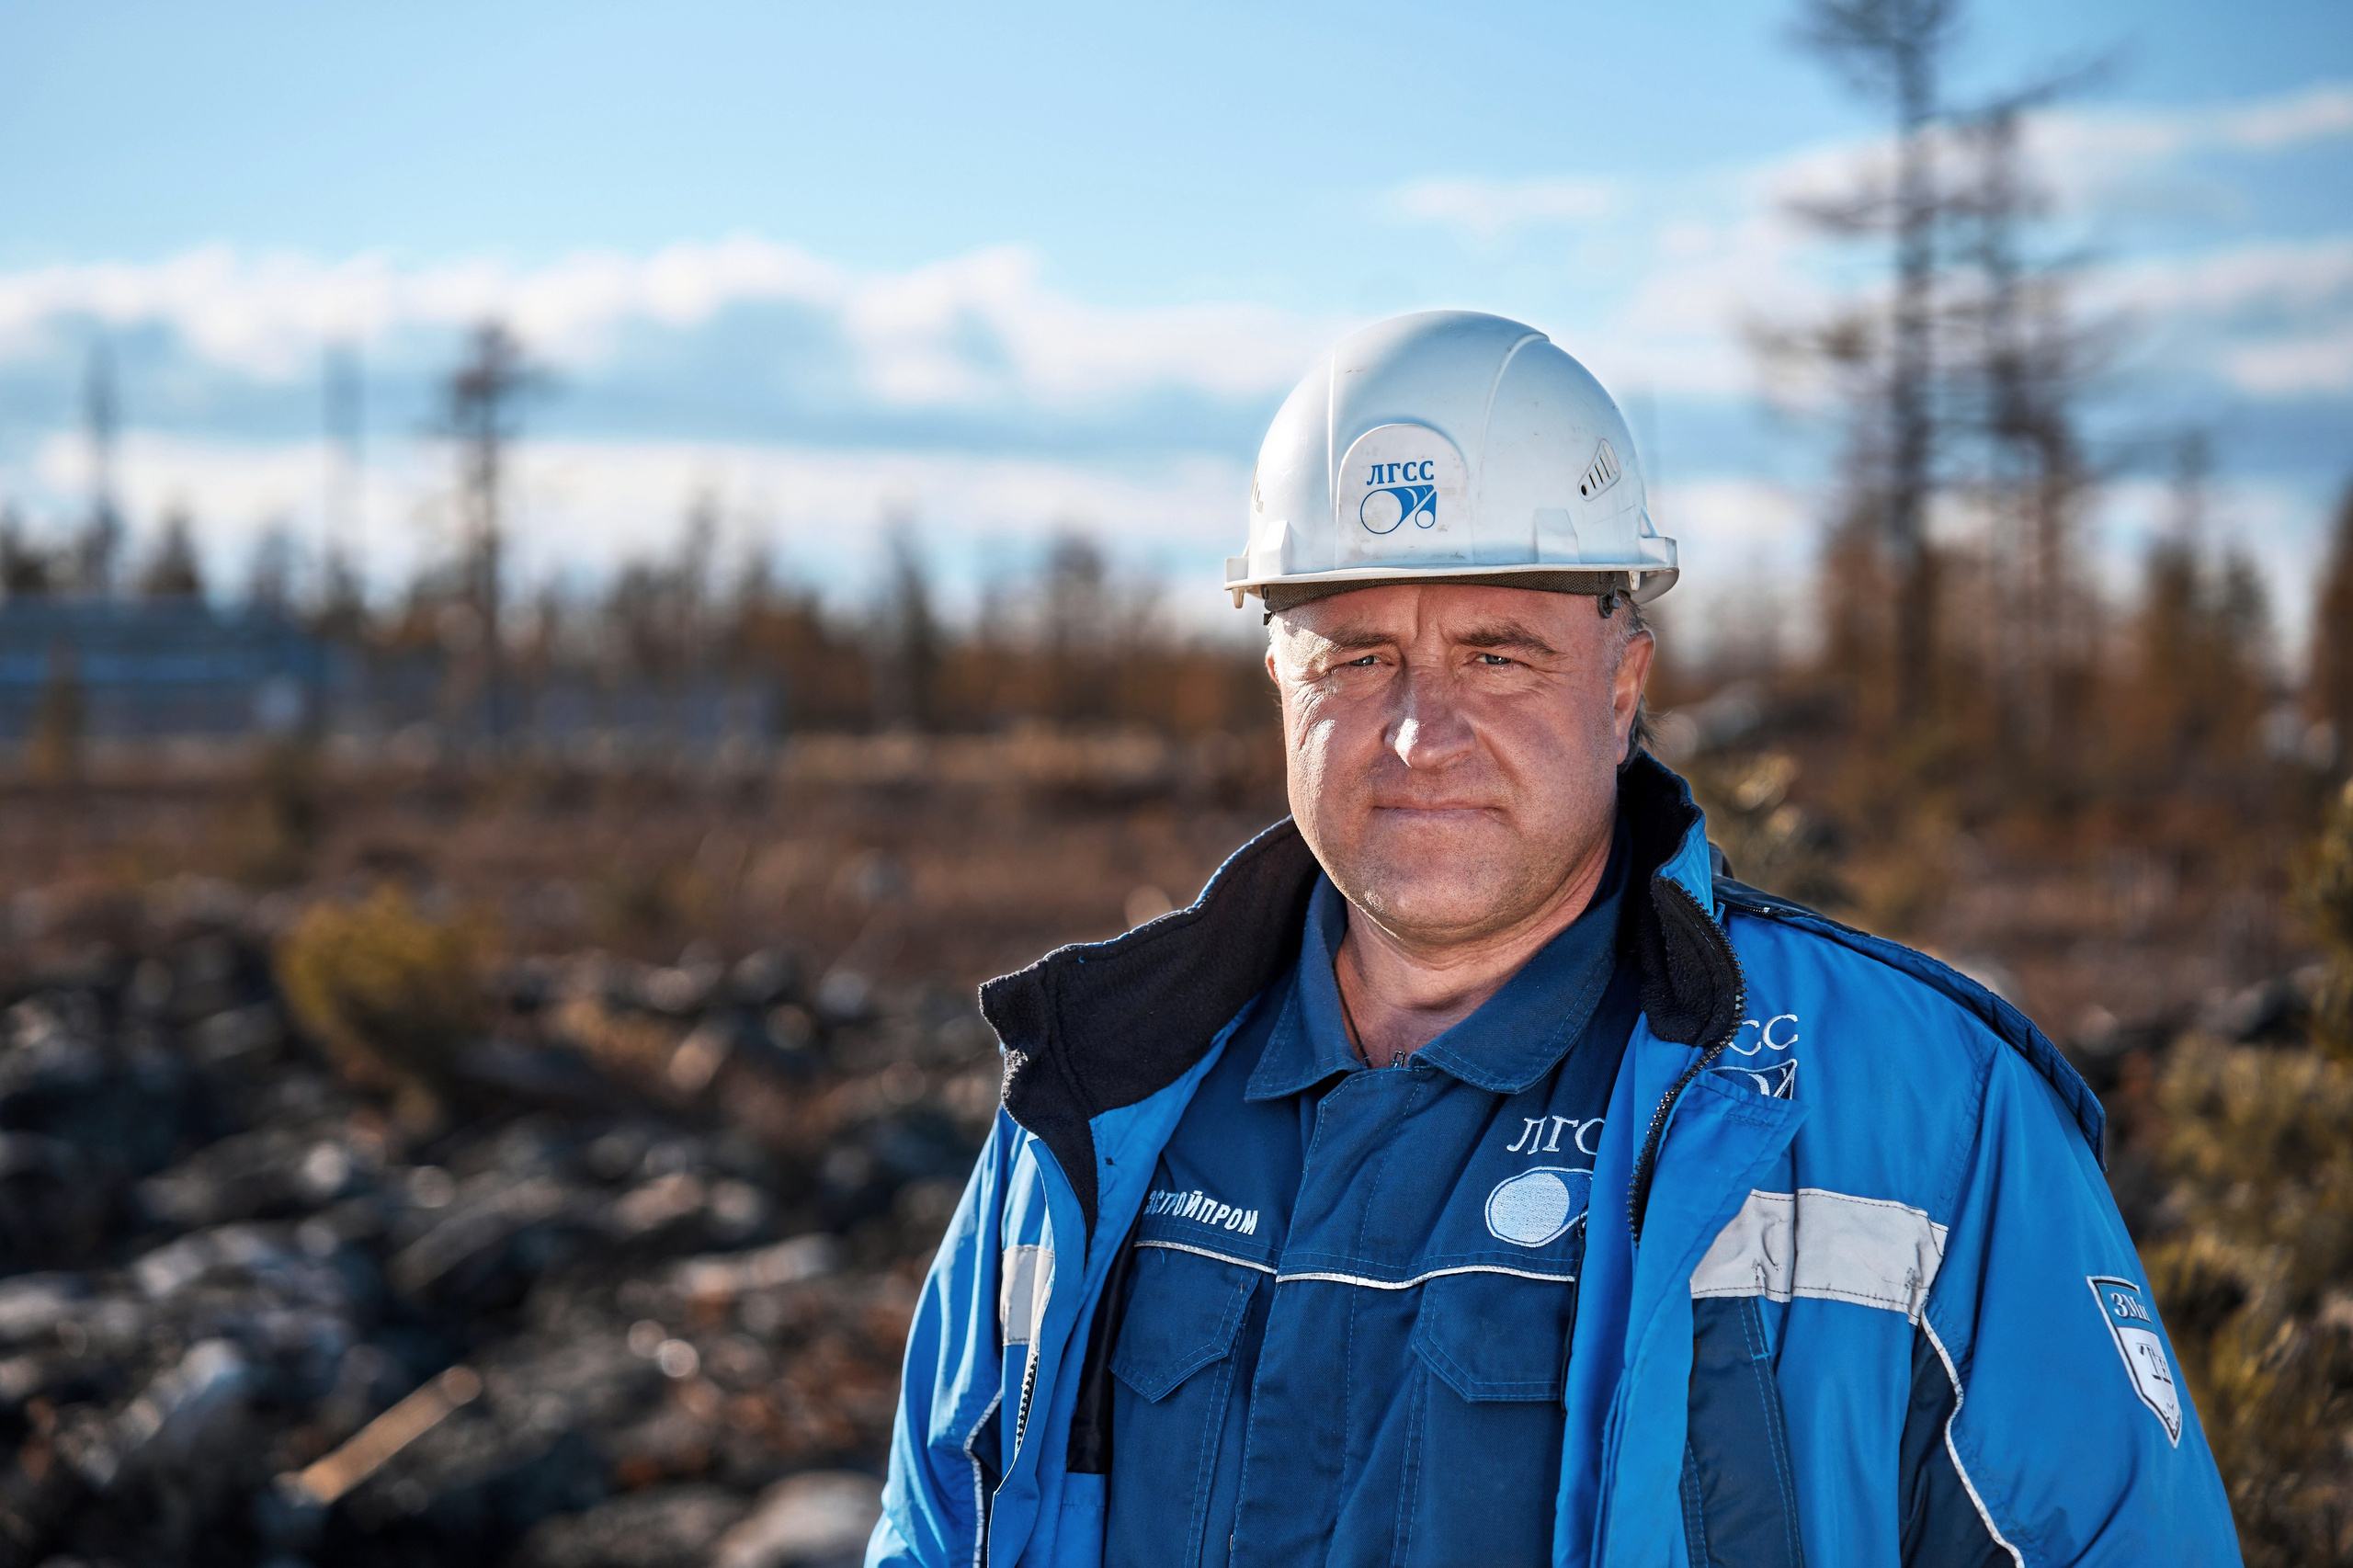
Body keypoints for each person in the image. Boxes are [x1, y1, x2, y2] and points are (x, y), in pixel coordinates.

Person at [867, 311, 2238, 1566]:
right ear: (1280, 677)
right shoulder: (1103, 1101)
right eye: (1356, 656)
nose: (1421, 735)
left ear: (1624, 682)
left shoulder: (1924, 1111)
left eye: (1497, 654)